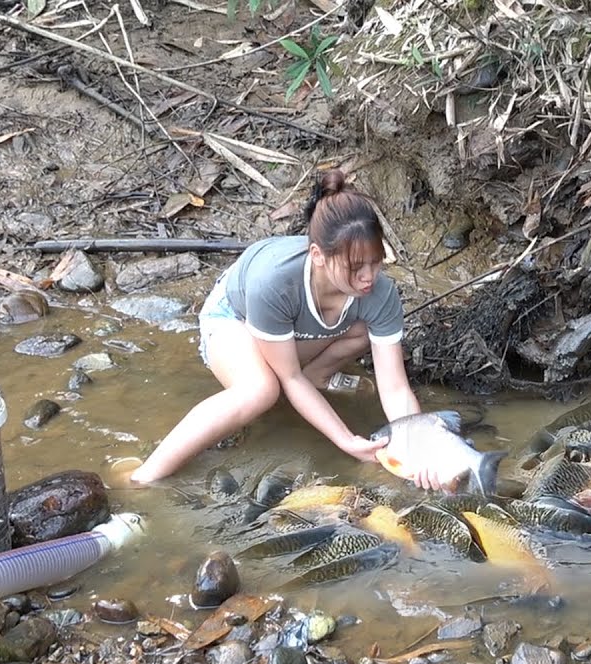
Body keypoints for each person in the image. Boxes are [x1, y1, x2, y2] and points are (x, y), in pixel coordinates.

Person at [128, 170, 447, 490]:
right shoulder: (274, 282)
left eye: (376, 263)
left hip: (294, 332)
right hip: (233, 319)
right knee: (262, 389)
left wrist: (419, 449)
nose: (368, 277)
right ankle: (147, 474)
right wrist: (346, 440)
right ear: (318, 256)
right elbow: (289, 377)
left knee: (363, 331)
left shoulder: (380, 293)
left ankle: (317, 378)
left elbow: (394, 388)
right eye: (355, 267)